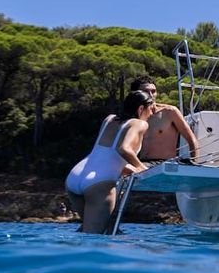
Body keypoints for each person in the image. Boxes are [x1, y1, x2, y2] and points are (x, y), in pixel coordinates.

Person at [65, 91, 155, 234]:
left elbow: (108, 157)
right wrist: (143, 168)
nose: (152, 113)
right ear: (140, 109)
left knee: (98, 230)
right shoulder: (140, 124)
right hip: (99, 184)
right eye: (151, 108)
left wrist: (133, 170)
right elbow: (124, 149)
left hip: (75, 177)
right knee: (95, 237)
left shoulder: (109, 119)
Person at [129, 76, 199, 163]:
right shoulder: (133, 116)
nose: (151, 95)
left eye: (153, 91)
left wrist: (194, 162)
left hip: (164, 163)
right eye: (146, 91)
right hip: (141, 163)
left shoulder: (170, 112)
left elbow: (191, 139)